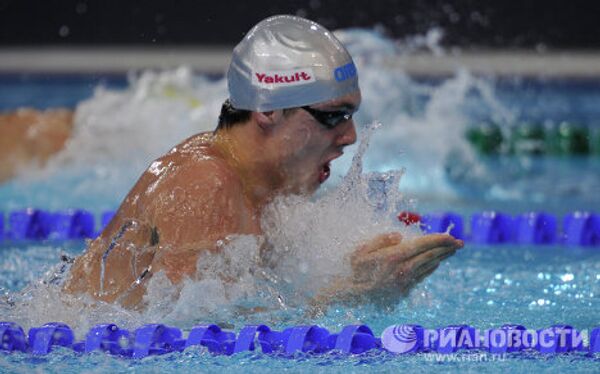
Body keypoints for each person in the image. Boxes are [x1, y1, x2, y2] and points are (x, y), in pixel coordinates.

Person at [64, 15, 463, 310]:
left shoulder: (266, 187)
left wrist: (360, 268)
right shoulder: (204, 185)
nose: (350, 136)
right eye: (332, 116)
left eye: (352, 115)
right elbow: (195, 342)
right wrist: (353, 293)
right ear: (269, 111)